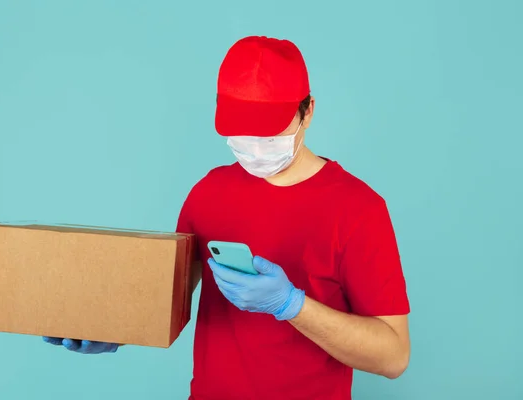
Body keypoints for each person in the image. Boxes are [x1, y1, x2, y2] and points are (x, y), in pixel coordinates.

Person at [43, 35, 411, 399]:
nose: (253, 142)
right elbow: (163, 301)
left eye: (267, 128)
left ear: (309, 111)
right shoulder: (209, 193)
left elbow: (393, 357)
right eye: (242, 126)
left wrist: (293, 306)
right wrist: (113, 331)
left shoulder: (359, 209)